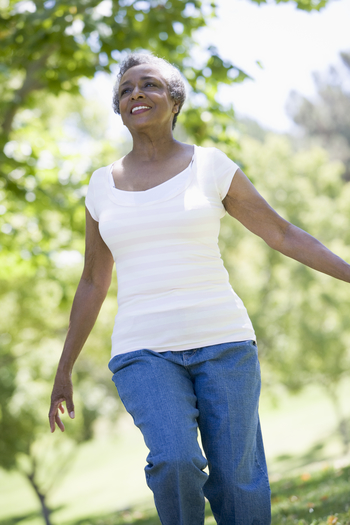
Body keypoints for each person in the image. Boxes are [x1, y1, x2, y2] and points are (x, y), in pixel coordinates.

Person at [49, 53, 350, 525]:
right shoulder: (101, 186)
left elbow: (282, 233)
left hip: (223, 341)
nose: (136, 94)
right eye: (126, 90)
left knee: (237, 478)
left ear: (174, 100)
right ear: (120, 108)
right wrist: (64, 368)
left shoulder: (210, 166)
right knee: (174, 459)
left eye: (148, 85)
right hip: (143, 350)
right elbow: (92, 280)